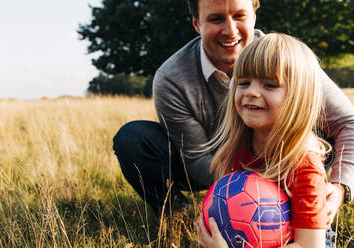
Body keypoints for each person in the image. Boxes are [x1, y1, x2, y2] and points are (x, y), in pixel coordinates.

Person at [113, 0, 353, 228]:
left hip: (287, 162)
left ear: (254, 15)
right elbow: (195, 158)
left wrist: (339, 188)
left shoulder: (289, 59)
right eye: (216, 19)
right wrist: (247, 191)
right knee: (133, 138)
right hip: (219, 162)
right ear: (197, 24)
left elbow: (348, 121)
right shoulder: (171, 79)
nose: (230, 30)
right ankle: (177, 215)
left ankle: (297, 202)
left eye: (239, 16)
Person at [195, 32, 330, 248]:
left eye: (270, 85)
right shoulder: (238, 147)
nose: (252, 92)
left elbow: (309, 245)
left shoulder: (305, 165)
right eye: (244, 82)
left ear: (298, 97)